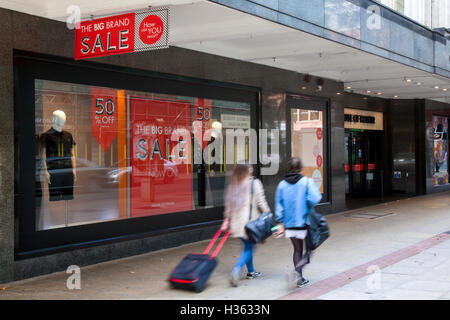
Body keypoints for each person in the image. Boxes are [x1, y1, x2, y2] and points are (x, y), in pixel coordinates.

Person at [273, 157, 322, 288]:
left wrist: (280, 222)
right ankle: (297, 273)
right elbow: (315, 198)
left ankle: (299, 278)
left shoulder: (282, 185)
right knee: (310, 249)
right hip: (304, 222)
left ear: (288, 167)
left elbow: (278, 207)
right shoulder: (306, 182)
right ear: (300, 167)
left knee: (297, 249)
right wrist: (307, 202)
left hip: (289, 224)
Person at [220, 163, 271, 287]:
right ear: (247, 171)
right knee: (250, 248)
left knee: (248, 246)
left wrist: (226, 219)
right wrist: (268, 213)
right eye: (250, 168)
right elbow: (261, 201)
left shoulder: (233, 184)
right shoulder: (254, 183)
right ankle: (235, 270)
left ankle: (251, 272)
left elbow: (228, 205)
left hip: (236, 223)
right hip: (250, 223)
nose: (252, 169)